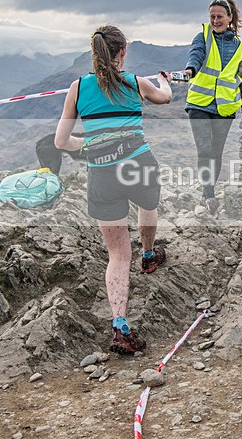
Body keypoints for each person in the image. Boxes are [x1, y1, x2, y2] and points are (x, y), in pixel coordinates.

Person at [54, 25, 172, 354]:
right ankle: (149, 256)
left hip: (102, 173)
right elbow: (165, 98)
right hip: (138, 165)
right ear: (123, 53)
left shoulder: (78, 88)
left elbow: (61, 142)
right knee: (148, 204)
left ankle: (120, 327)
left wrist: (90, 146)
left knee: (118, 255)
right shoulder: (134, 83)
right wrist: (165, 80)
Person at [182, 0, 242, 216]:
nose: (215, 20)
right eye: (212, 16)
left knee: (216, 151)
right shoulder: (203, 36)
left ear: (230, 18)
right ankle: (208, 193)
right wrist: (190, 70)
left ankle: (209, 190)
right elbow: (196, 54)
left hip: (225, 107)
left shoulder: (241, 49)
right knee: (204, 149)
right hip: (199, 103)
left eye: (220, 16)